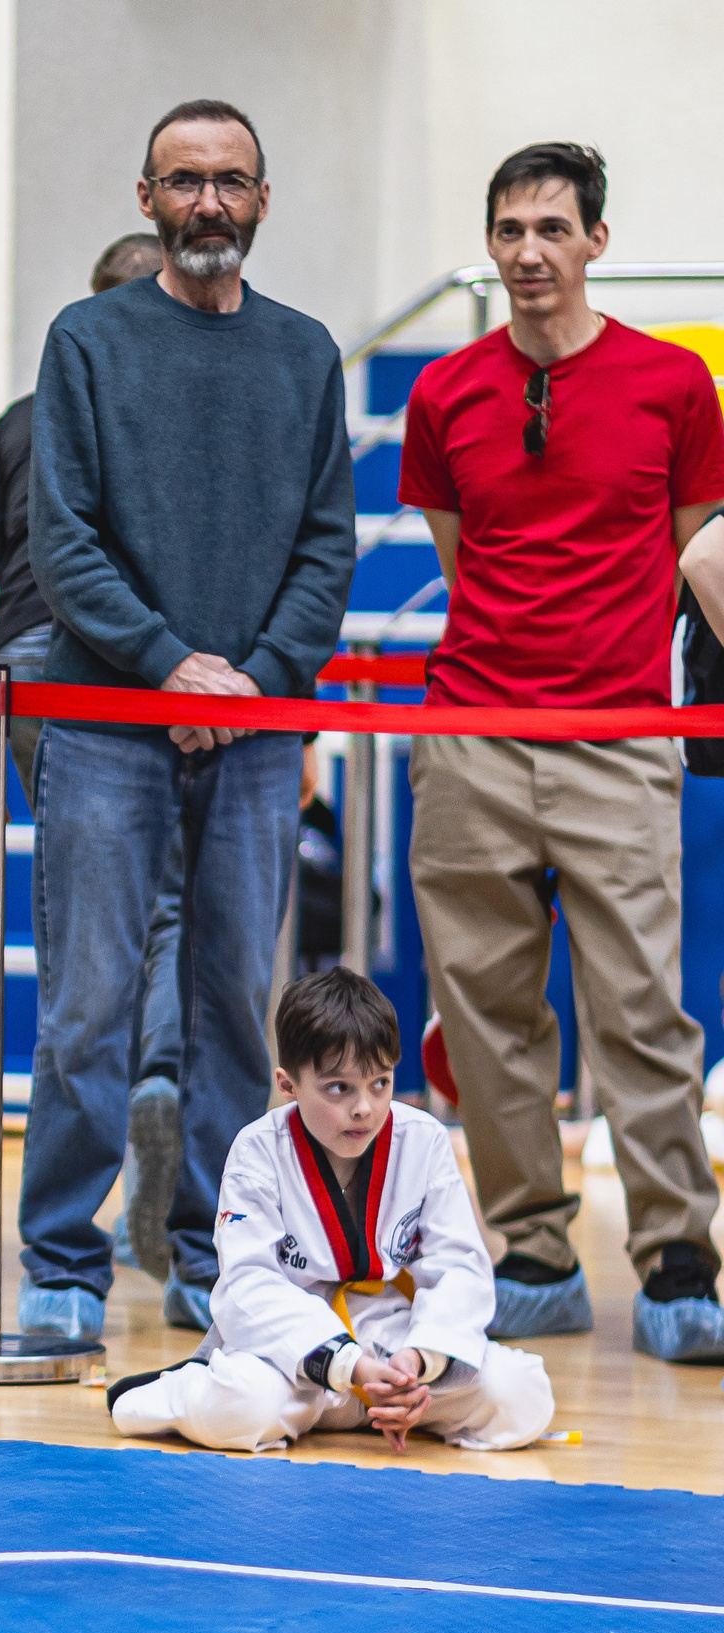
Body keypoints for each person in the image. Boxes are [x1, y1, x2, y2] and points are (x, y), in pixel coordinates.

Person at [21, 99, 355, 1340]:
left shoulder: (304, 352)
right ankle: (61, 1264)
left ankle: (218, 1257)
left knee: (229, 1007)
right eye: (183, 181)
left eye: (230, 181)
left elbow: (327, 548)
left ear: (262, 200)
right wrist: (167, 668)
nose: (207, 202)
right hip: (106, 724)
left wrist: (250, 680)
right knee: (90, 1006)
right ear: (147, 197)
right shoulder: (87, 341)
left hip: (260, 729)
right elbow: (63, 539)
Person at [399, 143, 724, 1360]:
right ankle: (530, 1246)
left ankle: (676, 1257)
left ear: (594, 240)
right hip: (471, 735)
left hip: (620, 735)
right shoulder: (442, 394)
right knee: (485, 1013)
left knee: (640, 1009)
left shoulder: (673, 386)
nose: (528, 252)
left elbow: (697, 555)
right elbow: (457, 558)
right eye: (507, 230)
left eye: (550, 228)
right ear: (490, 247)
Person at [0, 232, 182, 1282]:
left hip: (31, 674)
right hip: (162, 668)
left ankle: (66, 1214)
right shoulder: (188, 415)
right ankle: (156, 1076)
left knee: (82, 918)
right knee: (166, 907)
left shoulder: (22, 421)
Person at [108, 969, 555, 1454]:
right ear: (288, 1084)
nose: (364, 1107)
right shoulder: (258, 1152)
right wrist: (347, 1365)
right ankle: (178, 1389)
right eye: (339, 1088)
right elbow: (248, 1283)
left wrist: (418, 1362)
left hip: (394, 1342)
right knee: (244, 1404)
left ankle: (391, 1407)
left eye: (380, 1083)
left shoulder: (422, 1140)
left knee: (523, 1395)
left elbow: (460, 1268)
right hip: (299, 1357)